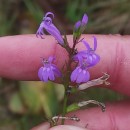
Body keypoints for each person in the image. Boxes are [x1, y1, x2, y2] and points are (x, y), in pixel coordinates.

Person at [0, 34, 130, 130]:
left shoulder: (82, 67)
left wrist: (81, 61)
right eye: (46, 63)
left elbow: (87, 62)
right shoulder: (52, 69)